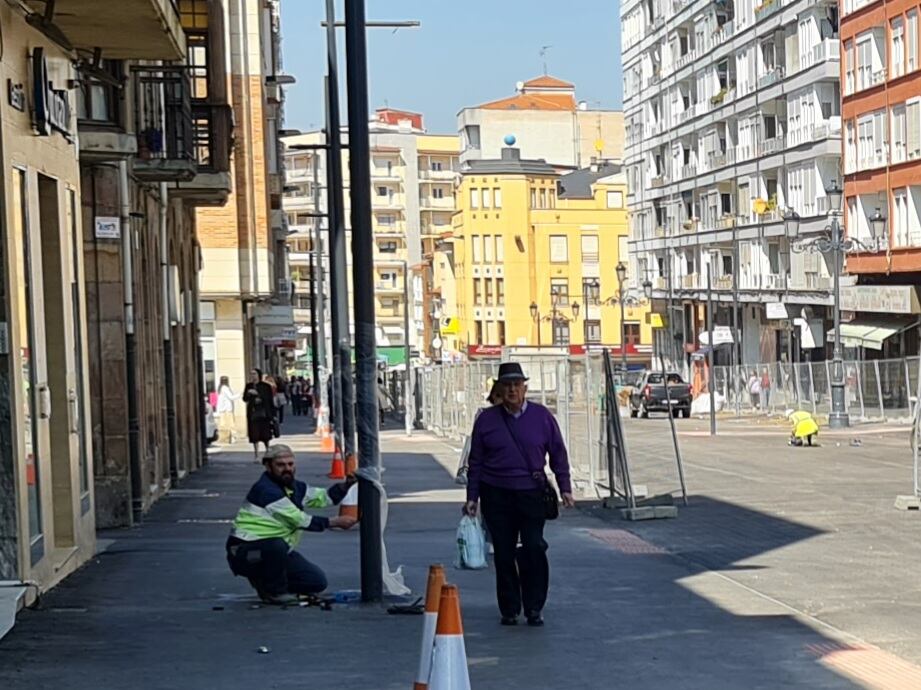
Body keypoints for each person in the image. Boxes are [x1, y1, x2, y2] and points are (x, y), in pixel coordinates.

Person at [464, 362, 574, 628]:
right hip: (496, 495)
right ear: (499, 389)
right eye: (507, 385)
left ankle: (534, 606)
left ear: (525, 387)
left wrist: (565, 487)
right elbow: (475, 461)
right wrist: (472, 497)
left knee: (534, 547)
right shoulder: (486, 420)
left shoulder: (542, 416)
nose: (512, 389)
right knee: (503, 553)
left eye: (516, 384)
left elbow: (558, 453)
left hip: (531, 493)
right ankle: (510, 609)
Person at [225, 444, 357, 605]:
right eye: (280, 465)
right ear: (268, 466)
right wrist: (334, 522)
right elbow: (300, 520)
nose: (287, 469)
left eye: (290, 464)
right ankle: (275, 592)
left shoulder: (294, 487)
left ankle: (264, 582)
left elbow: (323, 497)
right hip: (244, 553)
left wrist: (347, 485)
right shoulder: (266, 490)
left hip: (273, 551)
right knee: (276, 546)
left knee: (316, 581)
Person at [456, 377, 503, 485]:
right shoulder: (484, 418)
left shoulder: (530, 417)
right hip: (491, 481)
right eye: (499, 396)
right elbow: (475, 452)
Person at [243, 368, 275, 461]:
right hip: (253, 413)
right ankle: (256, 454)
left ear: (259, 375)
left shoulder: (265, 386)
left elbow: (269, 399)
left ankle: (267, 450)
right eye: (251, 374)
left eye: (254, 374)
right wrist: (249, 394)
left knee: (266, 434)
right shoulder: (249, 386)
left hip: (264, 413)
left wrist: (257, 393)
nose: (253, 376)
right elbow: (244, 399)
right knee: (254, 434)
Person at [216, 376, 240, 444]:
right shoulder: (225, 388)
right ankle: (232, 438)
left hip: (222, 409)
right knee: (231, 424)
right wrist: (239, 394)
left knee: (223, 424)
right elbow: (231, 397)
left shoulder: (220, 388)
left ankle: (226, 438)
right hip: (227, 409)